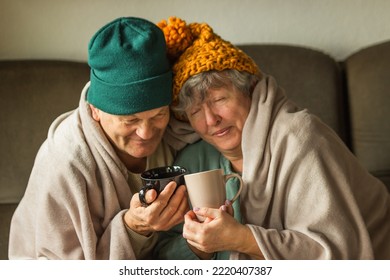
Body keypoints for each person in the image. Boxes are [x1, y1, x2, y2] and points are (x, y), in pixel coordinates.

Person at [154, 17, 390, 260]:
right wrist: (198, 247)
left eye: (219, 100)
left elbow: (338, 252)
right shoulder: (195, 159)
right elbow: (163, 254)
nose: (211, 120)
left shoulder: (300, 138)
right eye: (195, 111)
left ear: (251, 90)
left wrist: (240, 239)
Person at [8, 17, 196, 259]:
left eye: (159, 115)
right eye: (130, 121)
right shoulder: (64, 162)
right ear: (95, 110)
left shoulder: (177, 130)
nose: (147, 133)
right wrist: (132, 227)